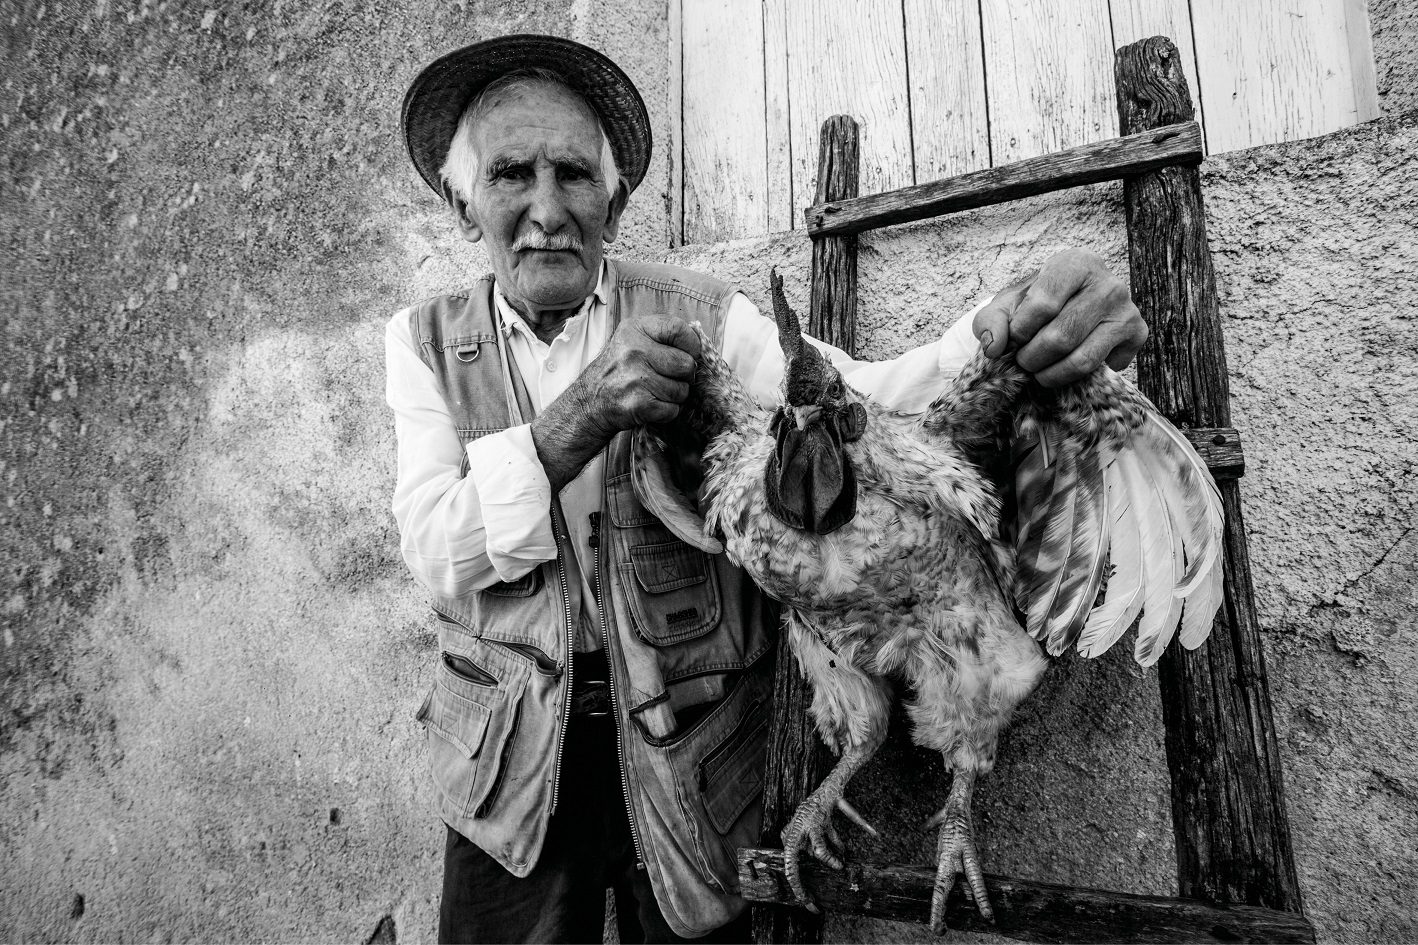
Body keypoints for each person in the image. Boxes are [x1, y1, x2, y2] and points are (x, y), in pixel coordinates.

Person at [387, 34, 1148, 945]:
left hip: (693, 752)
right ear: (461, 200)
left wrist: (1000, 337)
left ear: (616, 200)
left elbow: (854, 399)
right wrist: (577, 418)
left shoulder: (706, 315)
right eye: (512, 173)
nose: (547, 208)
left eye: (575, 175)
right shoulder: (423, 341)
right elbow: (437, 553)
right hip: (506, 765)